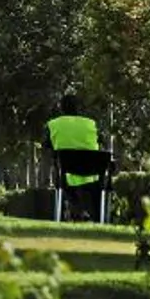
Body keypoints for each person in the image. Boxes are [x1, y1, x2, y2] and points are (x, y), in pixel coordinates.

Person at [44, 93, 103, 221]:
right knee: (91, 187)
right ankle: (95, 215)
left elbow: (47, 145)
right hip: (92, 172)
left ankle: (74, 209)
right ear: (79, 108)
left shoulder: (54, 124)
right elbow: (100, 141)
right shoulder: (91, 124)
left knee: (63, 174)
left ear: (61, 108)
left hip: (66, 171)